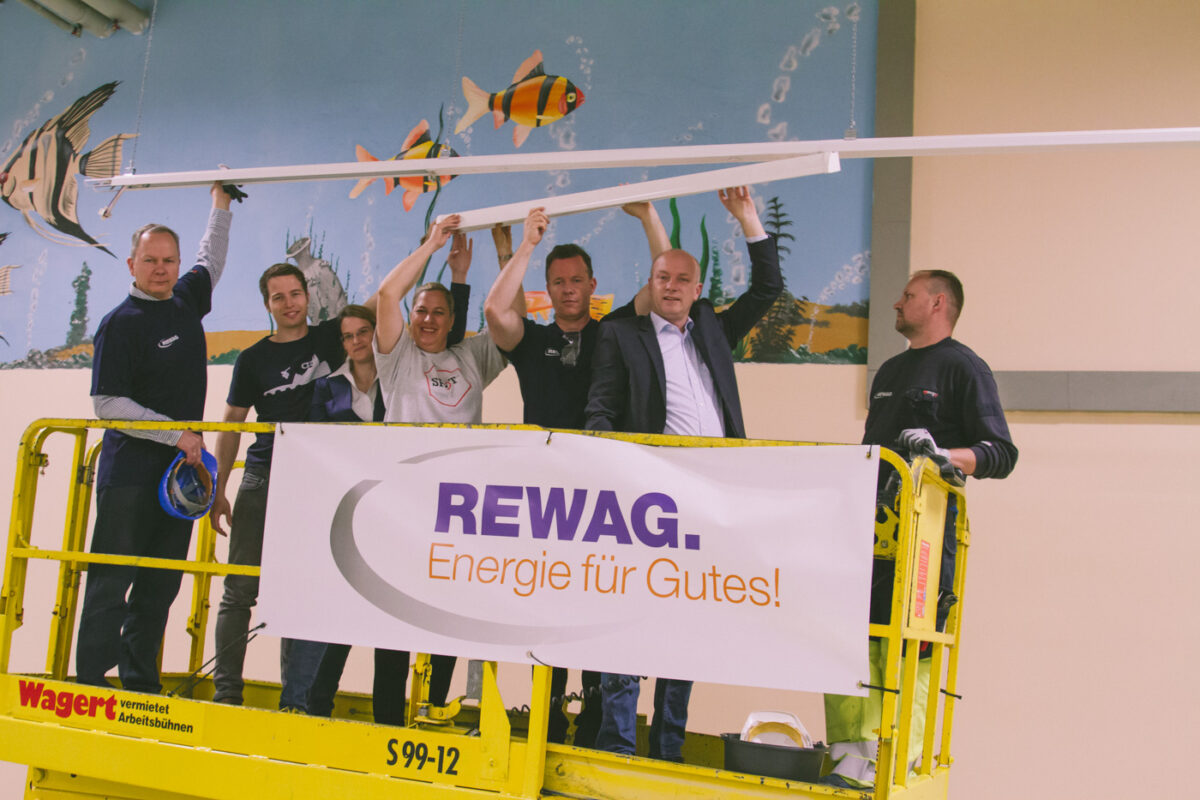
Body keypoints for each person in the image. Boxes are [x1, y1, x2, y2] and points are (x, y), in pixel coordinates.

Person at [210, 255, 469, 711]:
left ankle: (295, 700)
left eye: (295, 294)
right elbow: (231, 422)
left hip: (316, 486)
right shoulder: (252, 359)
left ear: (307, 296)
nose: (289, 303)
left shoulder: (332, 337)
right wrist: (218, 489)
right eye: (278, 297)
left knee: (303, 592)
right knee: (240, 589)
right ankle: (227, 691)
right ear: (267, 304)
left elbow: (386, 296)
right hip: (263, 474)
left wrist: (433, 248)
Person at [584, 186, 781, 761]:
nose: (671, 287)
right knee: (629, 618)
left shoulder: (714, 327)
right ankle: (618, 745)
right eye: (661, 278)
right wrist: (609, 465)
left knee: (689, 622)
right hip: (648, 498)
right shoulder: (621, 335)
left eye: (682, 280)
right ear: (650, 284)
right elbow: (600, 408)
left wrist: (748, 218)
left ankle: (667, 747)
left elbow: (768, 287)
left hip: (713, 497)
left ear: (697, 290)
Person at [822, 269, 1018, 789]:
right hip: (870, 533)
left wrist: (944, 455)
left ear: (937, 303)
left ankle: (893, 765)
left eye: (907, 295)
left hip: (924, 541)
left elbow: (1002, 453)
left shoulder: (964, 369)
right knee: (852, 637)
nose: (896, 302)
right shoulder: (889, 371)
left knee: (912, 648)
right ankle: (849, 761)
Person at [483, 203, 669, 745]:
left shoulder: (617, 332)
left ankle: (593, 726)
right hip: (545, 502)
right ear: (547, 289)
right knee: (548, 613)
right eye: (558, 282)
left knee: (598, 607)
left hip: (604, 499)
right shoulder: (530, 341)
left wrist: (648, 217)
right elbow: (494, 309)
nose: (568, 290)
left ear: (592, 284)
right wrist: (526, 244)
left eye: (576, 280)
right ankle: (543, 723)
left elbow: (662, 285)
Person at [76, 182, 235, 692]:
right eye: (150, 260)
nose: (161, 269)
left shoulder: (185, 301)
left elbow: (211, 261)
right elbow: (107, 404)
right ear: (132, 265)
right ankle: (91, 683)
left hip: (179, 482)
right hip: (129, 478)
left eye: (169, 260)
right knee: (111, 583)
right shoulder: (119, 324)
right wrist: (176, 435)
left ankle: (139, 683)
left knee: (160, 586)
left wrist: (221, 204)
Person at [374, 214, 503, 704]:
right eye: (421, 311)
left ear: (452, 321)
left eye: (438, 313)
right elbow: (387, 294)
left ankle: (434, 710)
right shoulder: (397, 356)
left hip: (456, 513)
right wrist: (431, 244)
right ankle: (387, 719)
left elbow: (509, 318)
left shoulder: (472, 358)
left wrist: (506, 253)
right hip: (402, 505)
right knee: (394, 620)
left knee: (447, 616)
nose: (427, 319)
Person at [304, 304, 409, 725]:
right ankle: (317, 711)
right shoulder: (326, 388)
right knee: (340, 620)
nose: (356, 342)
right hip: (345, 516)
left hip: (397, 516)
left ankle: (388, 720)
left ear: (375, 333)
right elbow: (316, 451)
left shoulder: (400, 381)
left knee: (393, 621)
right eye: (347, 336)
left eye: (363, 332)